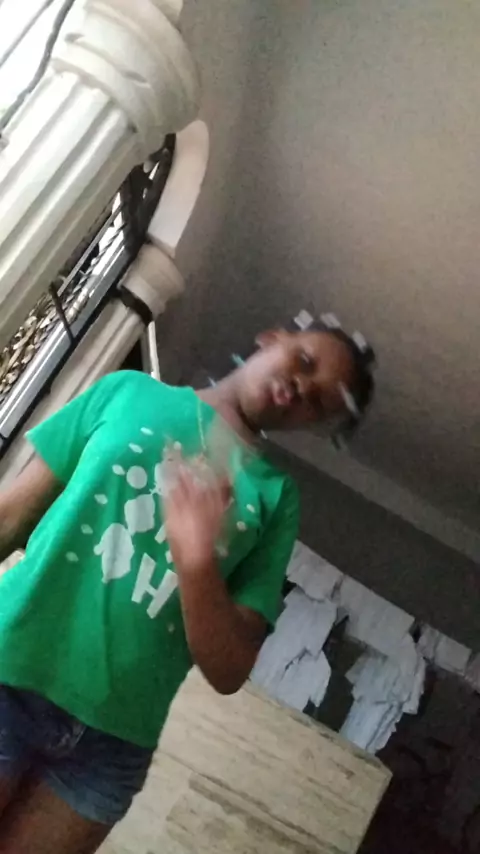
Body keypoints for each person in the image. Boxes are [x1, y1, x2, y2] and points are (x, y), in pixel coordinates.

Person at [0, 311, 375, 853]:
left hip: (111, 750)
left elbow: (228, 669)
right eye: (304, 361)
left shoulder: (275, 499)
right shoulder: (127, 392)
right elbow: (12, 515)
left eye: (317, 401)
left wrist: (197, 561)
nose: (300, 387)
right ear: (272, 337)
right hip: (12, 671)